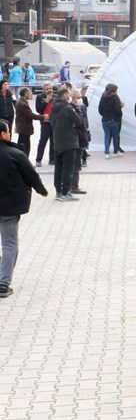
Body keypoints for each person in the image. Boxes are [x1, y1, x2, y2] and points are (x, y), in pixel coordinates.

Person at [0, 119, 48, 298]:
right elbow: (31, 175)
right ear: (3, 134)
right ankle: (3, 283)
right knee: (9, 244)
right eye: (7, 131)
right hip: (9, 208)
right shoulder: (15, 154)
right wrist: (42, 191)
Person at [50, 87, 83, 202]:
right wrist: (72, 122)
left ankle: (58, 191)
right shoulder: (68, 108)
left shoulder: (53, 108)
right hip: (69, 142)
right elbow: (79, 121)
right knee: (68, 168)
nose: (69, 97)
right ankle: (66, 192)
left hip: (57, 141)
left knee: (58, 167)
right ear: (64, 95)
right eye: (68, 94)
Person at [98, 83, 125, 159]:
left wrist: (105, 115)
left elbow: (100, 109)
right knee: (115, 137)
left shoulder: (103, 97)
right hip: (114, 120)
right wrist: (118, 116)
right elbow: (118, 110)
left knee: (107, 136)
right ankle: (115, 152)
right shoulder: (115, 97)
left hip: (105, 120)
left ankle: (106, 153)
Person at [14, 88, 41, 159]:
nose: (30, 94)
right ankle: (24, 163)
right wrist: (43, 117)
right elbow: (30, 115)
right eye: (29, 93)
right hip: (24, 129)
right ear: (25, 93)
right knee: (24, 148)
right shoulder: (22, 104)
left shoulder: (22, 102)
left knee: (23, 147)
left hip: (23, 128)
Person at [33, 83, 54, 167]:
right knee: (43, 141)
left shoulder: (55, 97)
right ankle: (38, 159)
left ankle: (52, 159)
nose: (49, 90)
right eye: (47, 89)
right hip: (45, 122)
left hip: (54, 122)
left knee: (54, 141)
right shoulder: (39, 97)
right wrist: (46, 101)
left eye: (50, 88)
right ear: (43, 90)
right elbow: (38, 109)